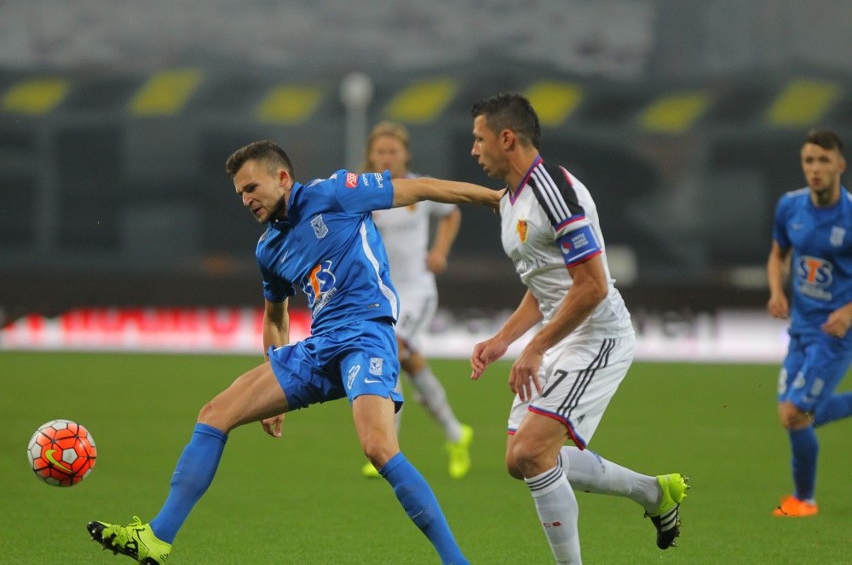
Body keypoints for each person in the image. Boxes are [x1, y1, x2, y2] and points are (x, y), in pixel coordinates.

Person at [86, 139, 501, 565]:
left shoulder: (336, 192)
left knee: (378, 448)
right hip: (320, 346)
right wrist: (276, 379)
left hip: (366, 335)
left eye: (252, 188)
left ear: (282, 178)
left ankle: (457, 561)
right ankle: (157, 537)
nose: (247, 200)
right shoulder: (269, 248)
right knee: (215, 413)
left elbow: (422, 188)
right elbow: (275, 317)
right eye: (241, 194)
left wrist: (493, 198)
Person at [467, 93, 688, 564]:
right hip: (562, 336)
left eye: (479, 139)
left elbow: (592, 285)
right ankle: (654, 494)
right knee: (520, 461)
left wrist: (535, 348)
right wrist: (503, 340)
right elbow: (545, 281)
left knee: (531, 452)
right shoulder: (511, 200)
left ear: (506, 139)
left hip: (599, 336)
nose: (473, 150)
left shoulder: (555, 192)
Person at [360, 121, 473, 480]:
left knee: (389, 351)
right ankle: (457, 433)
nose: (386, 157)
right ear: (371, 156)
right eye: (380, 151)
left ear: (405, 154)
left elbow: (452, 212)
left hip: (417, 291)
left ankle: (387, 448)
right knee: (411, 364)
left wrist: (439, 251)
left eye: (392, 151)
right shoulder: (364, 192)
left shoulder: (419, 188)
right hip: (383, 296)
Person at [766, 129, 852, 518]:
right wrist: (776, 291)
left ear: (840, 165)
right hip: (800, 328)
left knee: (794, 415)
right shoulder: (790, 206)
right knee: (796, 414)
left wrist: (849, 311)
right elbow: (778, 253)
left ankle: (805, 500)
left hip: (834, 335)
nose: (814, 168)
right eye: (808, 160)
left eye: (822, 160)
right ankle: (803, 499)